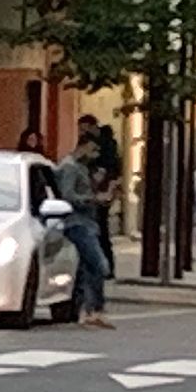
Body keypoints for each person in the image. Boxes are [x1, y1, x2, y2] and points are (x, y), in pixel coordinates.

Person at [56, 134, 114, 329]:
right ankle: (94, 309)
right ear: (83, 146)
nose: (94, 155)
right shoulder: (70, 167)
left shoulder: (80, 167)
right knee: (98, 264)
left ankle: (90, 310)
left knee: (87, 269)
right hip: (77, 223)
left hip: (86, 222)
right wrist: (94, 198)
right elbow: (68, 195)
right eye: (92, 149)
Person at [78, 115, 120, 277]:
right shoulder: (89, 141)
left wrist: (107, 184)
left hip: (101, 189)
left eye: (83, 128)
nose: (81, 132)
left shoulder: (107, 144)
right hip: (93, 189)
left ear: (92, 126)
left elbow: (113, 167)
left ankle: (105, 266)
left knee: (100, 228)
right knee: (98, 228)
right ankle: (102, 266)